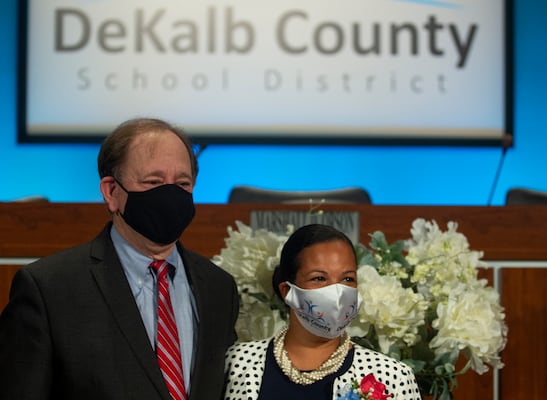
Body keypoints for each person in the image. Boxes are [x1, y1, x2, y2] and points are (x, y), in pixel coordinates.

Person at [0, 118, 239, 400]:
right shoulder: (49, 289)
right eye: (154, 182)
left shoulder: (219, 287)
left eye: (183, 183)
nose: (170, 194)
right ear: (112, 192)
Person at [222, 224, 421, 400]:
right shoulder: (237, 363)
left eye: (348, 279)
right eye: (319, 278)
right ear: (288, 291)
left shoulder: (391, 377)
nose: (337, 292)